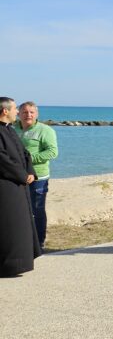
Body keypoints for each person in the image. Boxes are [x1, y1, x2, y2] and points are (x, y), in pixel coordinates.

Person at [1, 97, 42, 276]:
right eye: (14, 109)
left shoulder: (9, 129)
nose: (17, 112)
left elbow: (24, 153)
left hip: (19, 184)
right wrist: (22, 175)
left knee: (21, 224)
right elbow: (2, 159)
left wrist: (30, 171)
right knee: (9, 225)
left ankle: (21, 263)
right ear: (5, 111)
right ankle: (9, 265)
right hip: (6, 186)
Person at [15, 101, 58, 247]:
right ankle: (23, 241)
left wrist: (28, 159)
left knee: (37, 210)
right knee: (19, 210)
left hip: (39, 177)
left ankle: (39, 242)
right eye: (25, 112)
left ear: (37, 114)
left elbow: (52, 152)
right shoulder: (13, 129)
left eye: (31, 112)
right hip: (16, 175)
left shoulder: (45, 130)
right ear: (18, 114)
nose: (28, 115)